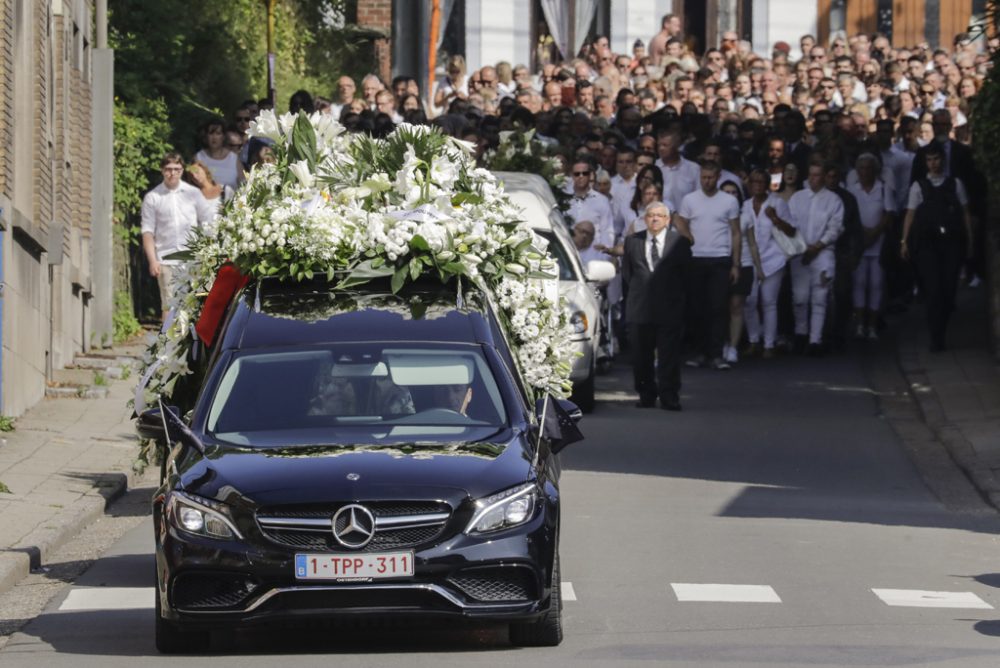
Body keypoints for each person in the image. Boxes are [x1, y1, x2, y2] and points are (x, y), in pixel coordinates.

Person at [901, 142, 973, 351]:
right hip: (927, 245)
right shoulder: (919, 186)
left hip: (951, 244)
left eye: (936, 159)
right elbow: (910, 214)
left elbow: (965, 213)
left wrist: (970, 242)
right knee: (933, 290)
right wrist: (904, 241)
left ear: (943, 159)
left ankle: (941, 327)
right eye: (929, 160)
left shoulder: (955, 184)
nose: (933, 164)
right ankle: (936, 337)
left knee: (948, 290)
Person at [621, 202, 691, 410]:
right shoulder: (632, 241)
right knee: (641, 355)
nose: (655, 219)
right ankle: (646, 394)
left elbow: (686, 275)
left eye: (660, 216)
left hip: (669, 307)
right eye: (651, 215)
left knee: (669, 355)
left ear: (668, 220)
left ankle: (669, 396)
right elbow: (627, 273)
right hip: (639, 307)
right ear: (645, 219)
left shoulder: (679, 242)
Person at [676, 161, 741, 370]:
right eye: (703, 177)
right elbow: (681, 223)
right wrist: (688, 242)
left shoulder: (729, 201)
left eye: (711, 177)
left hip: (720, 258)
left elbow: (736, 232)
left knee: (718, 307)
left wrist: (735, 264)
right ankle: (699, 352)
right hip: (696, 258)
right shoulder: (690, 200)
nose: (707, 181)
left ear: (718, 176)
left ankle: (716, 353)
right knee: (696, 308)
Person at [141, 153, 216, 321]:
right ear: (162, 171)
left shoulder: (193, 193)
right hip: (166, 258)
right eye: (168, 169)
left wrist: (206, 251)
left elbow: (207, 221)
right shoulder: (153, 197)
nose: (172, 173)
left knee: (195, 302)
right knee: (169, 304)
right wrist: (153, 260)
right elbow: (147, 231)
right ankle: (168, 344)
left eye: (176, 169)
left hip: (192, 258)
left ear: (182, 170)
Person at [787, 163, 845, 355]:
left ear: (824, 177)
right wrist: (802, 247)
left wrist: (818, 246)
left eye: (817, 175)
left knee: (820, 297)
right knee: (800, 297)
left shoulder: (833, 200)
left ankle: (815, 340)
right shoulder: (797, 198)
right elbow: (791, 223)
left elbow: (835, 228)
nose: (813, 179)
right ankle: (800, 333)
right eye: (811, 175)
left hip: (823, 253)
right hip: (800, 252)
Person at [741, 170, 794, 358]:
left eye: (762, 182)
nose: (757, 185)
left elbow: (792, 230)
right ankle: (754, 340)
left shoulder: (777, 202)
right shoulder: (745, 205)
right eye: (754, 181)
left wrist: (775, 218)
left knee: (769, 301)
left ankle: (769, 345)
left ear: (768, 184)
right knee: (749, 300)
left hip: (773, 258)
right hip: (750, 259)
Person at [847, 153, 895, 340]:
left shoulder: (883, 189)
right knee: (859, 284)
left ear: (875, 170)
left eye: (868, 168)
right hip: (859, 245)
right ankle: (860, 324)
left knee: (876, 284)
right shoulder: (852, 189)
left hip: (879, 245)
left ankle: (873, 325)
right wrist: (862, 232)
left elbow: (889, 213)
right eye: (861, 168)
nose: (865, 172)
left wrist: (875, 232)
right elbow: (849, 215)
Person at [567, 160, 615, 249]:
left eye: (584, 173)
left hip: (593, 254)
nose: (581, 176)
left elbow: (607, 231)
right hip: (567, 251)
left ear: (590, 175)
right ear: (572, 176)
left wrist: (605, 255)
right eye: (577, 174)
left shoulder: (602, 200)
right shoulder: (563, 198)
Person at [194, 118, 243, 192]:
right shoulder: (199, 157)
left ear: (223, 137)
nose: (214, 137)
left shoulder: (234, 159)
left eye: (218, 133)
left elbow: (243, 183)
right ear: (206, 136)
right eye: (211, 133)